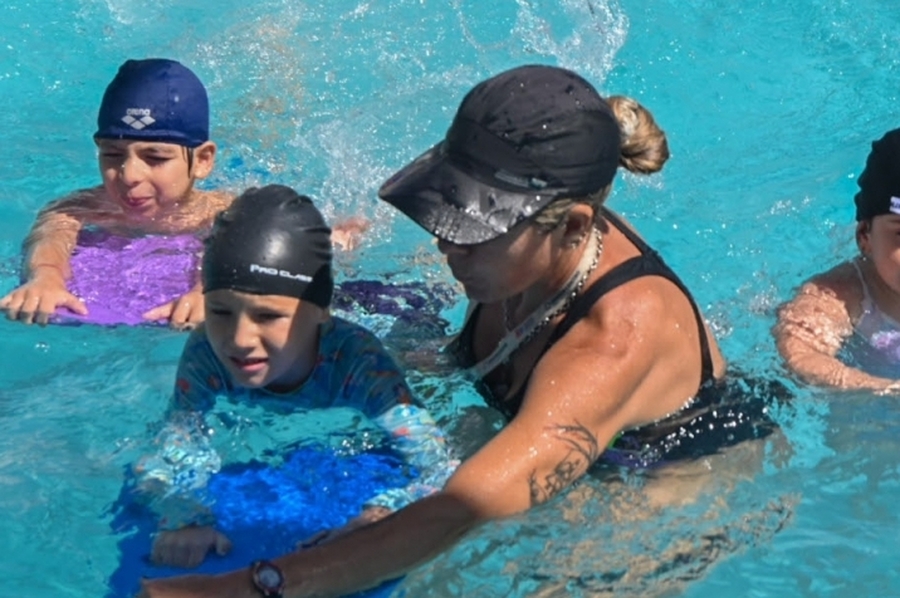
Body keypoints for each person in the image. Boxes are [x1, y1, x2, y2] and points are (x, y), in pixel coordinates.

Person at [139, 64, 776, 598]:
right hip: (528, 426)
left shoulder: (612, 344)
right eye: (449, 209)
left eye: (474, 225)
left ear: (576, 227)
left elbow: (459, 510)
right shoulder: (520, 260)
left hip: (664, 485)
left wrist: (254, 585)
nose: (446, 240)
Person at [133, 183, 458, 570]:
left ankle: (363, 243)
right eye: (220, 312)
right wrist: (184, 515)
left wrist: (383, 511)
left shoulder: (357, 363)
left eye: (267, 316)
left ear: (321, 310)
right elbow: (175, 437)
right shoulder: (207, 352)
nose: (239, 340)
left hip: (394, 319)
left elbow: (442, 466)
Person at [0, 58, 230, 328]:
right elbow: (50, 236)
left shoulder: (223, 212)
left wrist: (208, 290)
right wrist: (45, 277)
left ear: (203, 160)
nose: (129, 175)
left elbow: (229, 247)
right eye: (112, 154)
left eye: (155, 157)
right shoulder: (80, 208)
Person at [775, 127, 900, 391]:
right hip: (869, 412)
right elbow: (800, 353)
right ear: (864, 236)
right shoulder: (845, 293)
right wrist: (884, 388)